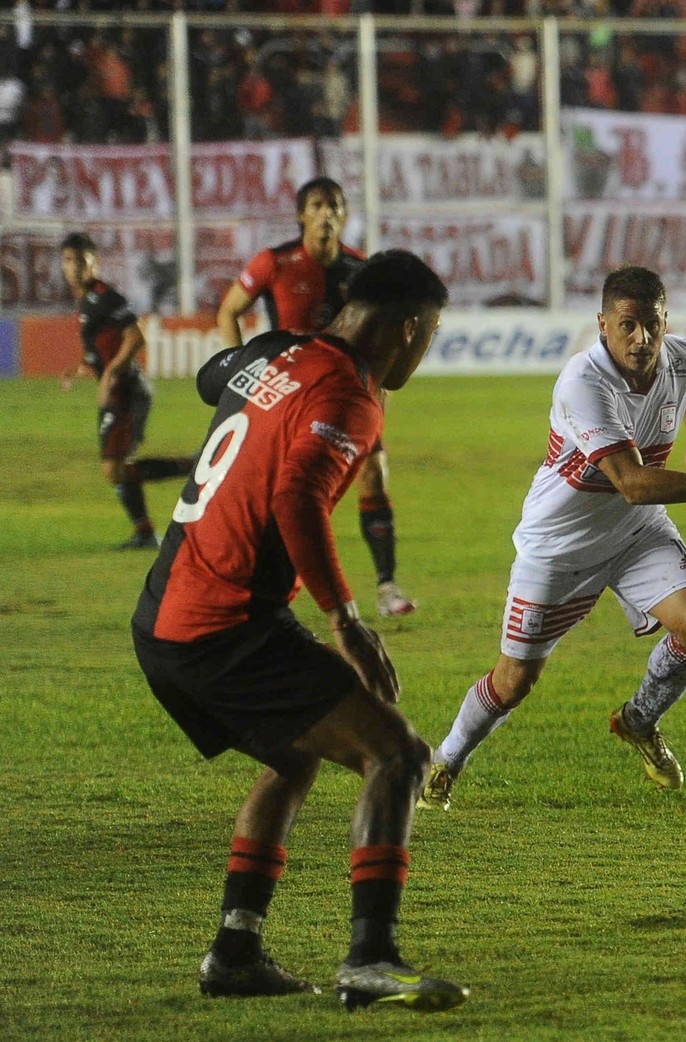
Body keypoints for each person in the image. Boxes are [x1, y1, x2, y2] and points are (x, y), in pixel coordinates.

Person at [130, 250, 468, 1012]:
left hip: (164, 614)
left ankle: (234, 951)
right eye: (431, 333)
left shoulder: (274, 350)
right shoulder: (351, 394)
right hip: (224, 623)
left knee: (292, 757)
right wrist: (346, 620)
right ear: (407, 327)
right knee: (397, 754)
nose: (426, 348)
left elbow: (214, 379)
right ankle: (370, 959)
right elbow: (295, 497)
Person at [418, 266, 686, 811]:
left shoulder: (679, 357)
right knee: (514, 681)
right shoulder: (584, 382)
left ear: (665, 321)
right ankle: (446, 759)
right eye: (627, 325)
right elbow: (632, 483)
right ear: (603, 325)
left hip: (634, 534)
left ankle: (639, 721)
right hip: (559, 547)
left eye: (651, 325)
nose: (641, 339)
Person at [215, 176, 417, 619]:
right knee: (277, 490)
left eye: (335, 205)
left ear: (345, 215)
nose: (326, 213)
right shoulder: (275, 262)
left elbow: (380, 341)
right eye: (317, 204)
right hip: (286, 396)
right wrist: (240, 367)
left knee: (374, 474)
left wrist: (376, 395)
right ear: (301, 215)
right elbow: (229, 310)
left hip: (341, 396)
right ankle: (250, 587)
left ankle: (386, 586)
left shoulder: (363, 271)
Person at [59, 232, 193, 549]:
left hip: (128, 391)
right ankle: (145, 531)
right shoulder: (86, 301)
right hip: (118, 389)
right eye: (68, 260)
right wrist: (83, 367)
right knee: (117, 467)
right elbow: (103, 345)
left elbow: (134, 338)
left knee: (114, 467)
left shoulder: (106, 296)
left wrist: (111, 374)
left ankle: (194, 467)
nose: (75, 267)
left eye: (81, 260)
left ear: (94, 261)